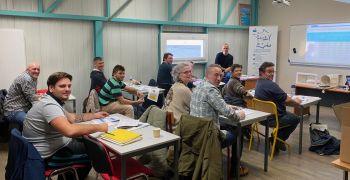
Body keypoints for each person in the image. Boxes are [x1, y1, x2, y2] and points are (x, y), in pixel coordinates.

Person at [22, 72, 109, 180]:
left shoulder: (50, 100)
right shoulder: (49, 105)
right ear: (51, 88)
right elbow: (69, 131)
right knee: (96, 152)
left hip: (50, 147)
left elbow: (72, 118)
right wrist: (99, 127)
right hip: (48, 157)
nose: (67, 89)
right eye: (62, 86)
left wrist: (94, 115)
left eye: (69, 86)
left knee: (89, 143)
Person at [190, 64, 248, 176]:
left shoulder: (199, 86)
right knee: (237, 131)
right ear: (207, 75)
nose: (218, 78)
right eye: (216, 75)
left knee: (227, 126)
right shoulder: (211, 90)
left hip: (196, 133)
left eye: (221, 75)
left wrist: (227, 105)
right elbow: (230, 115)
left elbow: (215, 104)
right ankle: (235, 170)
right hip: (209, 138)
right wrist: (240, 115)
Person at [255, 62, 301, 152]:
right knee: (296, 118)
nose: (272, 74)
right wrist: (296, 101)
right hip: (273, 118)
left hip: (261, 117)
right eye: (269, 71)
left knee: (289, 116)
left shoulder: (258, 82)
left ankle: (276, 139)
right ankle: (277, 139)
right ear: (262, 73)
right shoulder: (271, 85)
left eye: (273, 71)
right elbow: (287, 99)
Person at [4, 63, 40, 128]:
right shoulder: (27, 78)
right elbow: (32, 99)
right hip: (13, 110)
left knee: (40, 116)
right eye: (34, 69)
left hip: (23, 107)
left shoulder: (33, 78)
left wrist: (40, 97)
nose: (37, 71)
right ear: (27, 70)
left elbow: (32, 94)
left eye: (38, 69)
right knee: (34, 124)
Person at [163, 63, 192, 132]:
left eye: (190, 71)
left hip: (167, 123)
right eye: (186, 72)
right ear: (178, 75)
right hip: (177, 126)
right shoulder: (184, 89)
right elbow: (194, 107)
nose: (189, 74)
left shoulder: (174, 85)